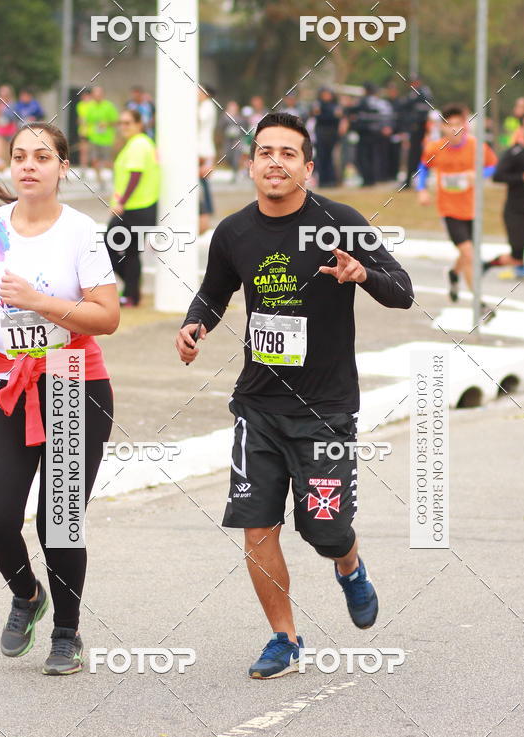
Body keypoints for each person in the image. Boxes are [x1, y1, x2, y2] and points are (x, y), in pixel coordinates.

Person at [174, 113, 413, 679]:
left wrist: (363, 275)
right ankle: (284, 638)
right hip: (257, 404)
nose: (274, 162)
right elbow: (214, 292)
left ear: (308, 167)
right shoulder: (233, 232)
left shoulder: (341, 222)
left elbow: (401, 292)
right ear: (251, 164)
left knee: (325, 530)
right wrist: (193, 326)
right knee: (257, 526)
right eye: (264, 152)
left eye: (288, 153)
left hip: (325, 410)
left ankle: (349, 566)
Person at [0, 121, 119, 674]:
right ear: (10, 165)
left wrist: (41, 301)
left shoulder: (80, 232)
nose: (29, 165)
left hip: (74, 375)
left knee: (60, 517)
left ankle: (67, 633)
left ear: (62, 168)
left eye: (42, 157)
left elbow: (108, 317)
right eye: (20, 156)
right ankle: (27, 594)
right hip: (7, 379)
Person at [417, 103, 497, 302]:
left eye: (458, 124)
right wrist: (422, 190)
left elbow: (493, 166)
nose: (454, 129)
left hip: (472, 208)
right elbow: (423, 167)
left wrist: (478, 174)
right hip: (449, 209)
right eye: (449, 124)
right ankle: (479, 303)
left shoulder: (477, 147)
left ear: (464, 126)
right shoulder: (435, 148)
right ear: (442, 127)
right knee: (469, 254)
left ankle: (453, 273)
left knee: (467, 252)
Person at [105, 108, 160, 306]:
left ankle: (131, 291)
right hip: (143, 208)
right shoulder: (144, 143)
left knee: (106, 250)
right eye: (121, 123)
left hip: (134, 208)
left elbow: (135, 175)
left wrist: (121, 202)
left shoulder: (138, 145)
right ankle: (131, 294)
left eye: (128, 123)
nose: (123, 127)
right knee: (131, 253)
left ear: (139, 124)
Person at [483, 113, 524, 281]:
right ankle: (486, 265)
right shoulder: (513, 153)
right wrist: (523, 177)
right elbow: (497, 177)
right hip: (516, 212)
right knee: (516, 258)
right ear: (522, 129)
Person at [401, 74, 434, 188]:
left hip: (419, 129)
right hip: (417, 129)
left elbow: (414, 108)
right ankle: (412, 180)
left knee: (418, 154)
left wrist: (413, 121)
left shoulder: (421, 93)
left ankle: (416, 180)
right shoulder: (418, 93)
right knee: (415, 154)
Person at [85, 85, 118, 187]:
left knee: (108, 162)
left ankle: (116, 177)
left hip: (107, 139)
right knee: (94, 160)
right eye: (95, 94)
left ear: (103, 95)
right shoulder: (90, 106)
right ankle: (100, 181)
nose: (97, 96)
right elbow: (87, 121)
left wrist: (106, 124)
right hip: (94, 138)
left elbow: (116, 121)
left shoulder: (109, 106)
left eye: (99, 94)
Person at [312, 88, 342, 187]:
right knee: (322, 156)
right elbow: (319, 117)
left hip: (332, 134)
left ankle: (332, 180)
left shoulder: (335, 105)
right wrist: (331, 115)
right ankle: (323, 181)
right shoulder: (318, 104)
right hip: (321, 133)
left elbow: (337, 118)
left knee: (330, 157)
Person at [198, 85, 217, 234]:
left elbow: (199, 119)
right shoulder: (205, 105)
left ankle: (206, 214)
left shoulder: (207, 105)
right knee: (202, 183)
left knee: (202, 183)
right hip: (203, 150)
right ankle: (206, 213)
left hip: (203, 151)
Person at [75, 88, 92, 176]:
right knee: (83, 150)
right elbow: (80, 117)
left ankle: (92, 166)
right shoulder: (80, 105)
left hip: (93, 132)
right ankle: (83, 168)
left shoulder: (93, 105)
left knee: (91, 150)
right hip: (83, 131)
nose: (85, 98)